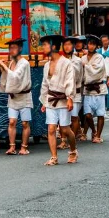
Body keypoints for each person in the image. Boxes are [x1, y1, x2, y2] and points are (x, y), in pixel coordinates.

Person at [39, 35, 77, 166]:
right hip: (51, 99)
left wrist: (70, 98)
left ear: (53, 46)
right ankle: (54, 157)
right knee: (51, 128)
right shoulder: (46, 65)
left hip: (63, 99)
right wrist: (44, 101)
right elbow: (45, 84)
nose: (43, 47)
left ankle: (73, 150)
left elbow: (69, 81)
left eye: (45, 45)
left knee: (65, 129)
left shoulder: (66, 63)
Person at [0, 38, 31, 155]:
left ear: (20, 48)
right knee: (12, 122)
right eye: (10, 48)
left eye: (14, 47)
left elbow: (16, 76)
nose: (11, 50)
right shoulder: (11, 63)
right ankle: (12, 147)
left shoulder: (25, 63)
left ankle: (24, 147)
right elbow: (7, 79)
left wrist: (4, 66)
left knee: (25, 123)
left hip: (24, 96)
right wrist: (3, 69)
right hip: (13, 97)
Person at [81, 35, 107, 142]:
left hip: (98, 88)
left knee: (100, 113)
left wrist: (85, 66)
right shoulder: (83, 58)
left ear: (96, 46)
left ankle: (98, 135)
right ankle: (94, 130)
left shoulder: (99, 57)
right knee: (87, 114)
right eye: (89, 44)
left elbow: (96, 72)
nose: (90, 46)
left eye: (93, 44)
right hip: (87, 89)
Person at [61, 37, 84, 147]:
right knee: (63, 118)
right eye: (65, 45)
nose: (67, 47)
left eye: (69, 44)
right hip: (63, 93)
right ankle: (63, 140)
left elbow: (78, 76)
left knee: (74, 116)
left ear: (73, 46)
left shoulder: (77, 61)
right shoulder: (60, 59)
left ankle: (72, 139)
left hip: (76, 92)